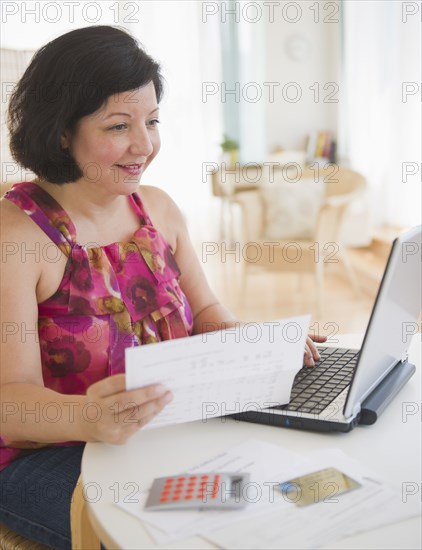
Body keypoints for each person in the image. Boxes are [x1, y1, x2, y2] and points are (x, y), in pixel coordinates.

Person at [0, 25, 324, 549]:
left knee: (279, 502)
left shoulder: (158, 208)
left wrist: (257, 342)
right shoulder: (17, 235)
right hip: (51, 455)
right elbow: (10, 408)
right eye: (118, 126)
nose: (144, 145)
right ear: (62, 131)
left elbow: (207, 314)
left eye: (151, 121)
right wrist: (90, 417)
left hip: (164, 432)